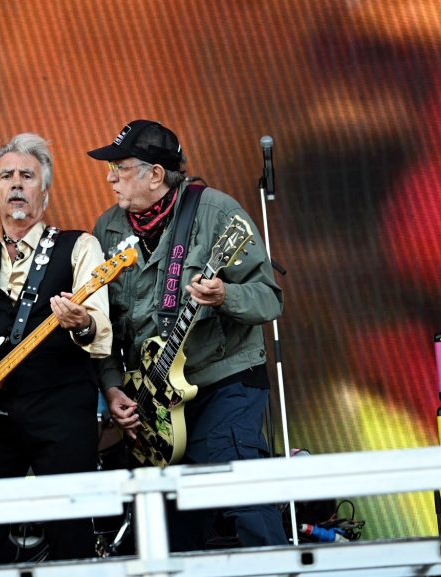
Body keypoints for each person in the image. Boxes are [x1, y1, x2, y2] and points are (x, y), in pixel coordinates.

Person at [88, 120, 286, 550]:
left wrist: (225, 295)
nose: (110, 178)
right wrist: (112, 385)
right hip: (154, 404)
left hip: (221, 384)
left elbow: (269, 299)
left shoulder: (216, 212)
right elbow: (103, 325)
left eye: (119, 168)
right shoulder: (107, 229)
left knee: (245, 503)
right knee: (166, 533)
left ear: (155, 175)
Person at [0, 133, 111, 565]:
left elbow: (101, 330)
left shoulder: (79, 246)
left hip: (61, 407)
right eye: (6, 176)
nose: (16, 183)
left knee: (70, 538)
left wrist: (81, 323)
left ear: (44, 191)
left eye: (27, 176)